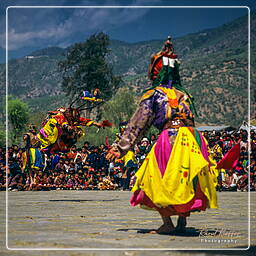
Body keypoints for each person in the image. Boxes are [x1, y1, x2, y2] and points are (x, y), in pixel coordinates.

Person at [107, 36, 219, 234]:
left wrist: (121, 147)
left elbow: (138, 123)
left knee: (155, 178)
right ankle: (182, 221)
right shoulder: (185, 94)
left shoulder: (154, 94)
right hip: (193, 139)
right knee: (185, 178)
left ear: (155, 72)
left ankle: (168, 223)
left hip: (171, 140)